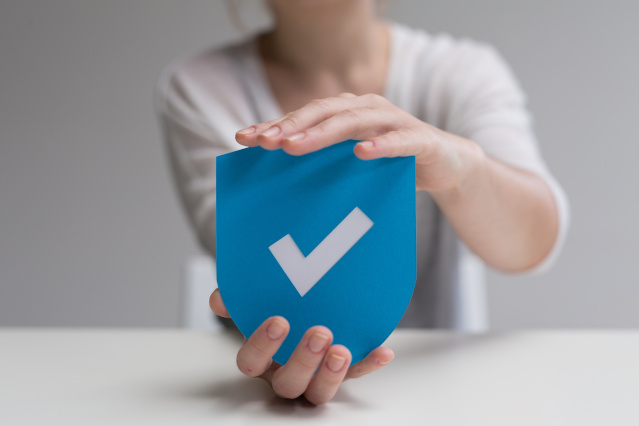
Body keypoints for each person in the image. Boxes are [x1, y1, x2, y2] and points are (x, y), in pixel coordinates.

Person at [156, 0, 569, 405]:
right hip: (263, 393)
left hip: (434, 392)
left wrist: (460, 167)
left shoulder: (458, 72)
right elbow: (243, 259)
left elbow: (534, 245)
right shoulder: (199, 85)